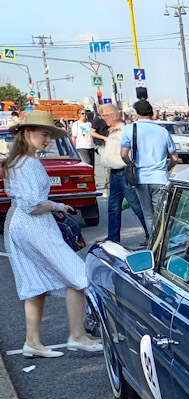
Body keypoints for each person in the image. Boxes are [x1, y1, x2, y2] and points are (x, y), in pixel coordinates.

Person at [1, 110, 103, 358]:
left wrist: (53, 208)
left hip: (18, 225)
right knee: (79, 275)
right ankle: (77, 335)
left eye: (50, 135)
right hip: (34, 226)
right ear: (27, 133)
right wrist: (57, 206)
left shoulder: (15, 162)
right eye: (44, 134)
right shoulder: (30, 163)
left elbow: (27, 203)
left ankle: (32, 342)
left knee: (35, 283)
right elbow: (34, 205)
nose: (48, 140)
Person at [120, 100, 177, 234]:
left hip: (141, 178)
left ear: (137, 114)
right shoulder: (162, 131)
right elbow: (174, 157)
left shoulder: (130, 129)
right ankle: (164, 242)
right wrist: (166, 169)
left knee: (148, 215)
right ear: (152, 113)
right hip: (160, 178)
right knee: (162, 214)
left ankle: (154, 245)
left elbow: (123, 154)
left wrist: (131, 166)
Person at [98, 103, 149, 244]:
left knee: (137, 206)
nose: (103, 118)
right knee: (113, 208)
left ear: (115, 115)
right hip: (114, 174)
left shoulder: (124, 131)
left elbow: (130, 153)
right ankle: (112, 239)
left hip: (124, 173)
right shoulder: (112, 130)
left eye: (105, 115)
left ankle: (150, 234)